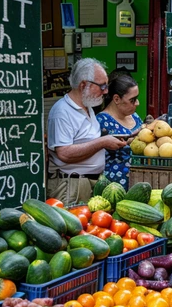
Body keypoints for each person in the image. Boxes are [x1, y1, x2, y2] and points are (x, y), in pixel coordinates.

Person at [46, 58, 128, 204]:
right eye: (102, 86)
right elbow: (64, 153)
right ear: (83, 85)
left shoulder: (88, 107)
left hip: (87, 183)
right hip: (72, 186)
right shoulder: (62, 112)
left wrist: (115, 139)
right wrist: (103, 142)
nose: (106, 91)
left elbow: (87, 140)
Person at [97, 74, 143, 189]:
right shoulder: (102, 121)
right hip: (115, 185)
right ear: (116, 99)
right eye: (132, 100)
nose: (137, 103)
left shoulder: (134, 116)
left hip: (139, 182)